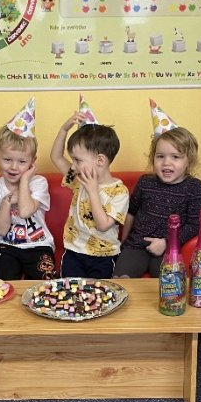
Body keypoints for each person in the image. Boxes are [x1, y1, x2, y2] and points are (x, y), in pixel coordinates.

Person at [114, 101, 201, 277]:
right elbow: (131, 212)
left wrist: (166, 242)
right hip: (136, 246)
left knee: (169, 284)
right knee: (121, 280)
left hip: (169, 248)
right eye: (160, 156)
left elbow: (194, 225)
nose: (166, 163)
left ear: (189, 161)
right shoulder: (145, 182)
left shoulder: (195, 188)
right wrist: (123, 242)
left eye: (175, 157)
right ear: (153, 158)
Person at [49, 105, 129, 278]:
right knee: (69, 291)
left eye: (77, 160)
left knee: (100, 293)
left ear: (100, 160)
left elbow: (103, 225)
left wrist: (93, 191)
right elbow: (56, 157)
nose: (72, 166)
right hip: (73, 252)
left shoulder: (119, 192)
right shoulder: (78, 178)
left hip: (104, 256)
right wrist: (64, 129)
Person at [0, 98, 57, 279]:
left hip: (39, 245)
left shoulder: (38, 182)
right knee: (3, 283)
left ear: (32, 162)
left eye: (22, 162)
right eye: (7, 159)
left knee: (46, 283)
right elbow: (1, 230)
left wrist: (25, 180)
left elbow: (25, 211)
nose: (13, 167)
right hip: (6, 246)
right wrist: (8, 201)